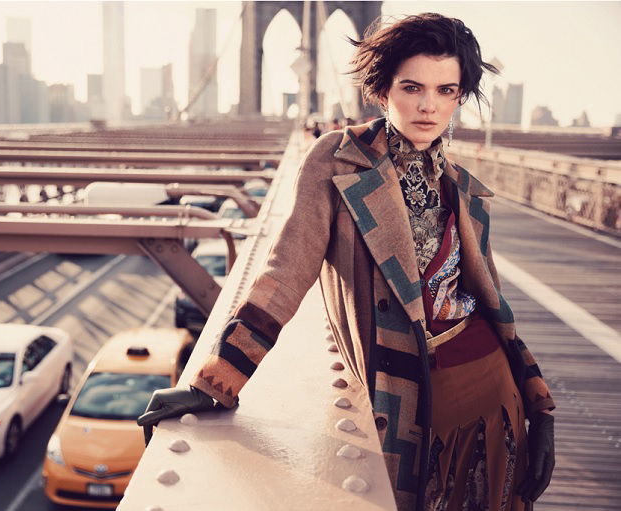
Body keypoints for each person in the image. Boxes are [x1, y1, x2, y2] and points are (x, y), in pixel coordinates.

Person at [138, 13, 555, 511]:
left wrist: (539, 405)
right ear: (381, 90)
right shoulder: (337, 160)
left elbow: (493, 305)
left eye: (447, 90)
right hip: (408, 396)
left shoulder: (465, 188)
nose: (428, 105)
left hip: (491, 399)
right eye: (412, 87)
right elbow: (284, 273)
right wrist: (217, 381)